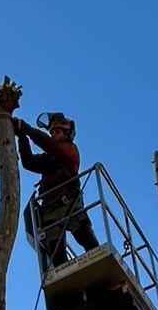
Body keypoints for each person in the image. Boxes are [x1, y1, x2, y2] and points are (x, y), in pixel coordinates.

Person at [16, 113, 99, 270]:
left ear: (67, 134)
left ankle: (100, 266)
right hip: (50, 212)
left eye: (57, 132)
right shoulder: (49, 159)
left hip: (70, 206)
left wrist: (27, 129)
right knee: (58, 258)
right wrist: (22, 137)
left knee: (87, 241)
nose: (54, 135)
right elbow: (29, 162)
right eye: (52, 132)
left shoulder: (70, 150)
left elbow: (50, 145)